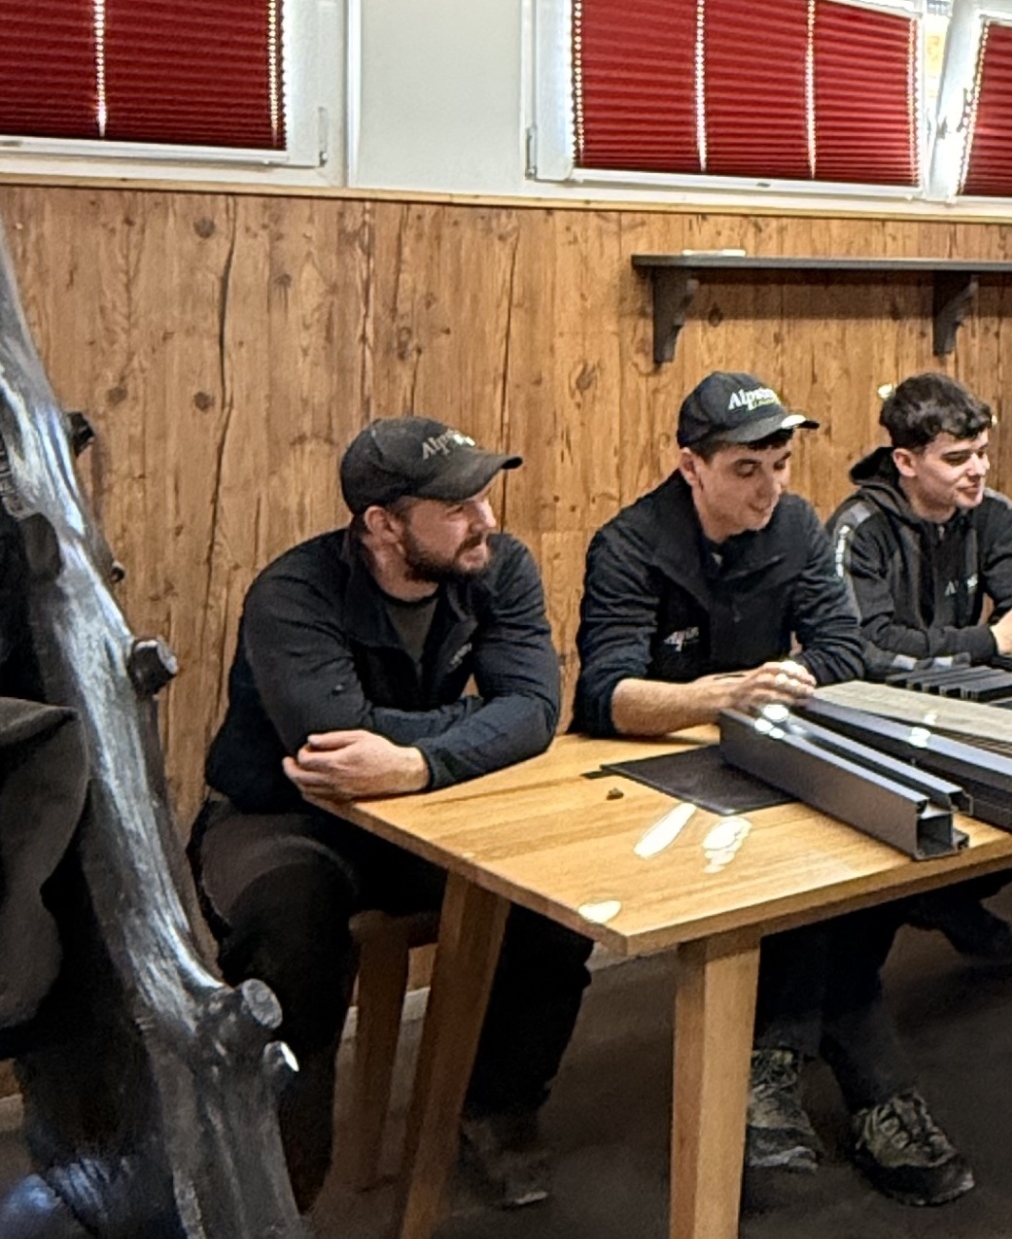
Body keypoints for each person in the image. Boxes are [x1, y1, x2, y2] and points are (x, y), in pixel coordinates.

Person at [572, 372, 970, 1209]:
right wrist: (720, 695)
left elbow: (843, 648)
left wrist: (786, 678)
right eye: (747, 470)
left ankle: (779, 1059)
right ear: (692, 467)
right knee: (808, 885)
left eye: (781, 466)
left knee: (860, 868)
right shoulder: (630, 544)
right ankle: (859, 1091)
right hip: (648, 778)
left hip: (767, 753)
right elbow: (605, 695)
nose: (771, 488)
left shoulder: (794, 526)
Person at [191, 417, 592, 1212]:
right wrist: (474, 726)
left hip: (427, 807)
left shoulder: (499, 567)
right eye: (458, 507)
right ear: (382, 524)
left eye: (483, 498)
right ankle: (279, 1187)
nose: (486, 520)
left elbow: (536, 711)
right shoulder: (292, 593)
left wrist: (418, 762)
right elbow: (330, 740)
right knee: (292, 938)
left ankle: (496, 1110)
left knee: (552, 906)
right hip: (284, 815)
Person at [824, 370, 1012, 974]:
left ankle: (943, 899)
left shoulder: (994, 514)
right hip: (874, 718)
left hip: (969, 703)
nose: (977, 470)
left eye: (982, 452)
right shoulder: (859, 528)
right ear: (905, 461)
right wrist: (987, 641)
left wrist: (976, 649)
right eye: (956, 459)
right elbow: (866, 652)